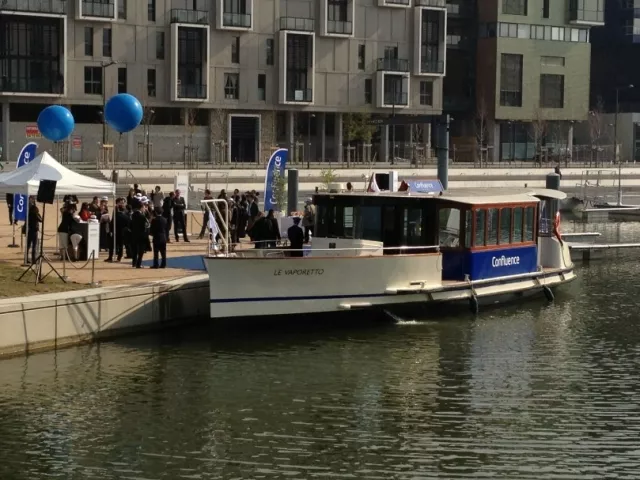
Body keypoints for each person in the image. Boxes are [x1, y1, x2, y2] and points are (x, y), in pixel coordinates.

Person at [106, 198, 129, 262]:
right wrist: (111, 229)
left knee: (120, 244)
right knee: (112, 244)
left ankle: (119, 257)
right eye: (121, 202)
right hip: (115, 229)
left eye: (123, 202)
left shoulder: (125, 210)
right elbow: (113, 220)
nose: (122, 203)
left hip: (122, 230)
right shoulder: (115, 209)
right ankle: (110, 257)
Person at [129, 200, 149, 268]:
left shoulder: (132, 215)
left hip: (133, 234)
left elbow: (130, 225)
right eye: (144, 207)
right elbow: (147, 225)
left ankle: (134, 263)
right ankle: (138, 264)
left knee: (134, 250)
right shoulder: (143, 216)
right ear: (141, 208)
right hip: (141, 235)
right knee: (141, 250)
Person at [26, 197, 42, 264]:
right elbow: (41, 220)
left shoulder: (29, 213)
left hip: (30, 229)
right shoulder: (34, 214)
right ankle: (33, 259)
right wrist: (38, 214)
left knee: (28, 245)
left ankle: (26, 258)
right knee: (34, 246)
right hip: (33, 230)